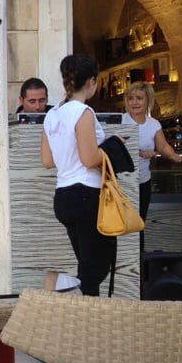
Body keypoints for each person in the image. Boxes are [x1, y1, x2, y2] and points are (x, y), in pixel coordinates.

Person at [41, 54, 115, 297]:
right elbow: (89, 159)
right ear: (92, 81)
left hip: (63, 196)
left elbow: (48, 161)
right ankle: (57, 284)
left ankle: (82, 315)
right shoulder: (84, 112)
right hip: (86, 194)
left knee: (89, 264)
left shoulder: (52, 115)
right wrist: (113, 149)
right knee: (97, 268)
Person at [122, 81, 181, 220]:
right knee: (122, 225)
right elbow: (114, 147)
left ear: (149, 100)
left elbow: (162, 146)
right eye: (130, 98)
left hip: (143, 181)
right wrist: (140, 153)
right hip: (122, 182)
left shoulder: (154, 124)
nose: (134, 102)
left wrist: (172, 155)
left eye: (139, 98)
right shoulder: (120, 121)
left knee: (139, 223)